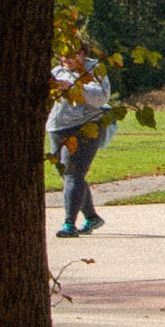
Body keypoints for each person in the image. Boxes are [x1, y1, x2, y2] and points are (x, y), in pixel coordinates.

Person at [46, 50, 116, 238]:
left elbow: (101, 97)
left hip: (86, 125)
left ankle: (69, 223)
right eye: (63, 56)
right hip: (57, 127)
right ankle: (92, 217)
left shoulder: (94, 70)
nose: (66, 59)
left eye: (71, 55)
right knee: (65, 172)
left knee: (74, 174)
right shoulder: (57, 71)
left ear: (82, 54)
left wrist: (73, 87)